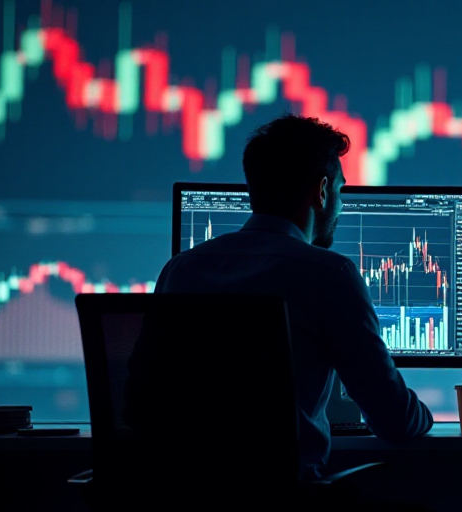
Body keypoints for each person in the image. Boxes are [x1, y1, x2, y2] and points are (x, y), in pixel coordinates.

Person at [125, 113, 433, 480]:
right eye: (339, 191)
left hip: (186, 499)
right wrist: (427, 416)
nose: (339, 203)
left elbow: (139, 407)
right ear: (321, 191)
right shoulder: (329, 275)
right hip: (285, 504)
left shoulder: (181, 270)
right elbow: (394, 420)